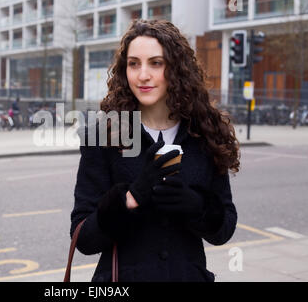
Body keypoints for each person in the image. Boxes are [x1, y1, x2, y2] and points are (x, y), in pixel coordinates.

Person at [70, 19, 240, 282]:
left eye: (156, 63)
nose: (143, 75)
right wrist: (130, 198)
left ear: (177, 69)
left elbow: (224, 228)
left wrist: (196, 205)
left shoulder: (205, 131)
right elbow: (83, 238)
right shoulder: (103, 135)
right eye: (134, 63)